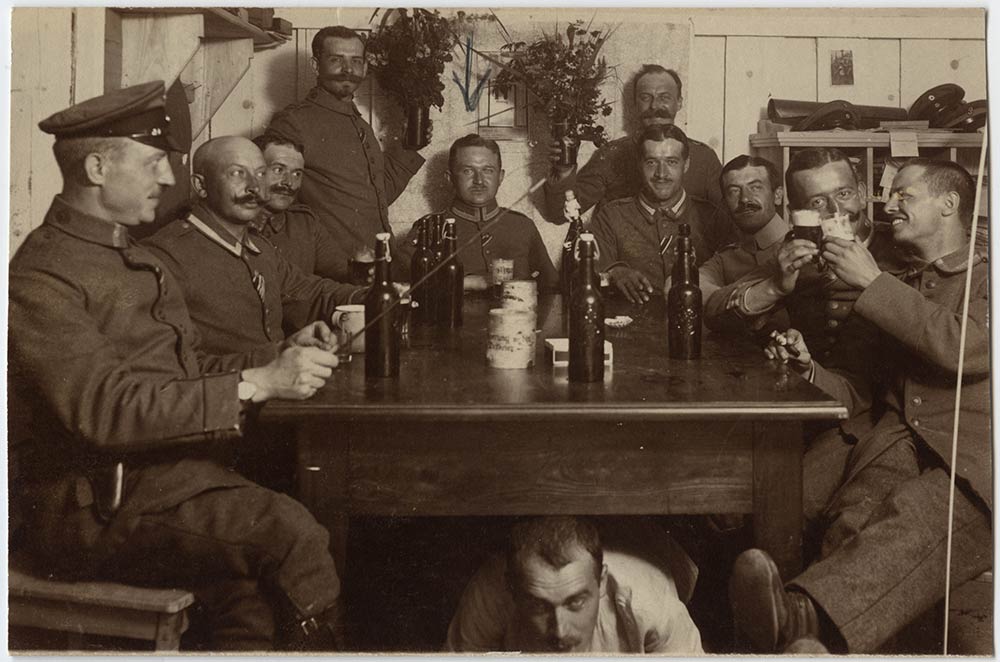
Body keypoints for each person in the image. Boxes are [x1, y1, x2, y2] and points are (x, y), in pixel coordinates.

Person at [8, 81, 346, 651]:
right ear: (96, 167)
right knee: (292, 534)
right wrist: (256, 383)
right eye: (153, 163)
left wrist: (275, 359)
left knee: (254, 601)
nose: (167, 179)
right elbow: (106, 408)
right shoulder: (43, 276)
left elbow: (184, 366)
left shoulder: (128, 255)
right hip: (93, 506)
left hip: (165, 482)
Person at [730, 158, 991, 654]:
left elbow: (971, 348)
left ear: (949, 204)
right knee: (852, 516)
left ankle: (801, 620)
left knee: (917, 514)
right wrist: (809, 368)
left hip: (974, 458)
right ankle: (812, 638)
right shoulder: (900, 279)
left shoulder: (985, 274)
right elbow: (858, 390)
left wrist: (875, 285)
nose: (888, 204)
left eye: (904, 196)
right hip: (894, 439)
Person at [143, 136, 364, 357]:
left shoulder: (258, 247)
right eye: (237, 173)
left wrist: (378, 295)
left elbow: (311, 292)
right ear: (201, 186)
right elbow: (178, 366)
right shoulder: (165, 255)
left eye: (260, 174)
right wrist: (275, 359)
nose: (254, 187)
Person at [703, 147, 904, 363]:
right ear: (796, 213)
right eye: (817, 202)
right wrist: (775, 286)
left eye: (843, 194)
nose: (836, 210)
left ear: (862, 194)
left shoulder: (899, 246)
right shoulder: (796, 253)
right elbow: (714, 313)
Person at [265, 25, 427, 277]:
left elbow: (374, 197)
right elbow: (274, 202)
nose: (348, 70)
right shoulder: (294, 122)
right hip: (334, 274)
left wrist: (408, 149)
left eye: (356, 61)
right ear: (316, 65)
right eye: (336, 60)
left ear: (365, 67)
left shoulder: (360, 124)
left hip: (377, 267)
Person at [445, 516, 703, 654]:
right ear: (512, 589)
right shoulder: (490, 595)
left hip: (657, 548)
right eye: (538, 605)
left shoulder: (649, 606)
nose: (559, 631)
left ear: (601, 582)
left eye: (576, 602)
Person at [544, 64, 723, 223]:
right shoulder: (611, 154)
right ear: (635, 104)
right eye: (646, 98)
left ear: (679, 103)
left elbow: (728, 220)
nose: (654, 106)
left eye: (665, 98)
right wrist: (564, 173)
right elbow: (560, 214)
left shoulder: (704, 158)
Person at [590, 124, 734, 303]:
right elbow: (586, 275)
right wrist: (614, 272)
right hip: (634, 326)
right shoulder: (611, 216)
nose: (661, 173)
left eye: (671, 162)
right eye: (651, 162)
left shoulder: (713, 217)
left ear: (686, 164)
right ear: (639, 164)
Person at [398, 134, 558, 292]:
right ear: (450, 178)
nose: (479, 180)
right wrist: (463, 283)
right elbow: (399, 286)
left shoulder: (522, 227)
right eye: (468, 171)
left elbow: (552, 290)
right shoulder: (429, 228)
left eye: (488, 170)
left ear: (500, 177)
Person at [252, 134, 352, 281]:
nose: (289, 183)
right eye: (279, 170)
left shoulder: (305, 226)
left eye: (297, 173)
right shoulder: (229, 224)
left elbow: (344, 273)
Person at [698, 155, 789, 304]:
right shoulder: (726, 258)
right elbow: (687, 286)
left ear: (778, 195)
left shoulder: (800, 247)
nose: (745, 199)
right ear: (725, 203)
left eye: (755, 188)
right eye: (734, 191)